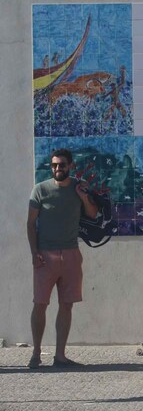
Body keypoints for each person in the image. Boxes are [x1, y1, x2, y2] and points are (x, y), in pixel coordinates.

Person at [26, 148, 98, 369]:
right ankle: (36, 354)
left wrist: (85, 197)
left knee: (66, 305)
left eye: (62, 165)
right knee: (40, 304)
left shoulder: (78, 188)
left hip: (71, 255)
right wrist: (34, 252)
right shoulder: (40, 190)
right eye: (54, 165)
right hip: (45, 256)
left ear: (70, 166)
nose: (58, 168)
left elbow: (92, 214)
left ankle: (60, 356)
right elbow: (30, 223)